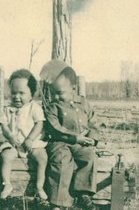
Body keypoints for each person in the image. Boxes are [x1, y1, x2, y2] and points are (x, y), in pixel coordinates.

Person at [40, 60, 99, 210]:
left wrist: (92, 138)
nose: (56, 97)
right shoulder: (53, 107)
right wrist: (74, 137)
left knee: (89, 156)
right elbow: (54, 127)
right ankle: (59, 202)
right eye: (53, 93)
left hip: (81, 143)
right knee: (61, 162)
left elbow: (94, 122)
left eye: (60, 93)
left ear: (73, 88)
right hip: (60, 142)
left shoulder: (84, 104)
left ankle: (83, 193)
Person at [0, 69, 48, 200]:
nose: (16, 97)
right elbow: (3, 125)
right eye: (14, 93)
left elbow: (39, 124)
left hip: (32, 143)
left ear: (32, 94)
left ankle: (39, 185)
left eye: (21, 93)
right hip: (13, 143)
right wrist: (10, 136)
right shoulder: (7, 109)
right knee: (6, 156)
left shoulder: (34, 107)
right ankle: (7, 184)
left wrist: (30, 139)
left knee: (42, 157)